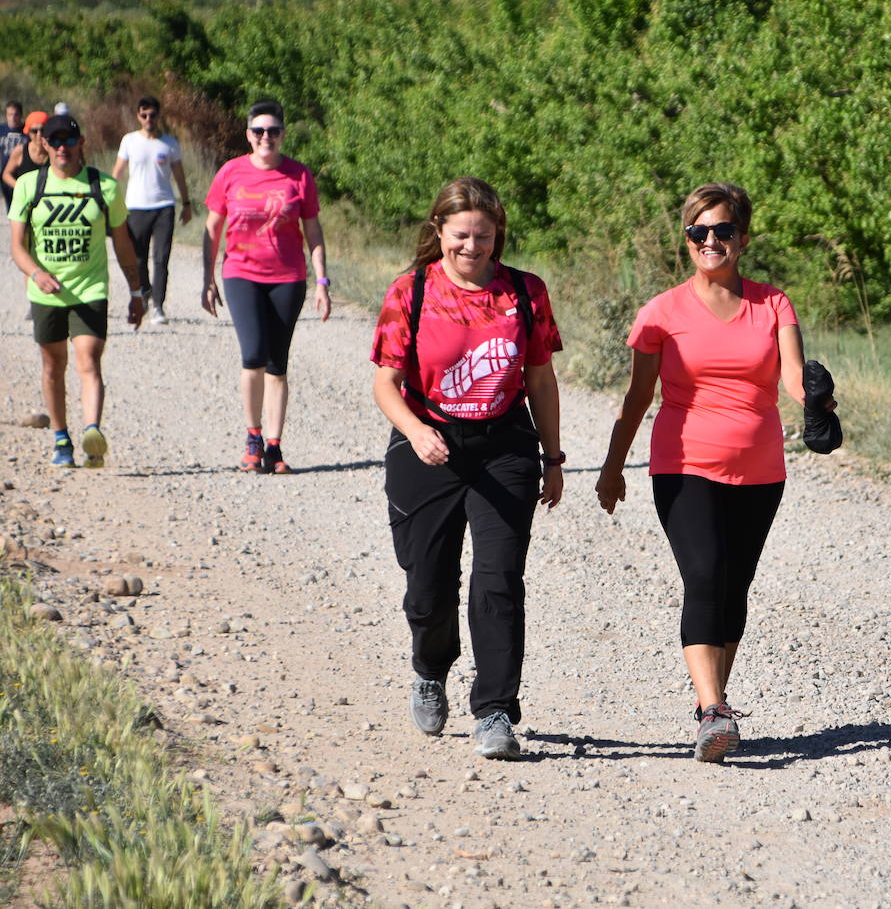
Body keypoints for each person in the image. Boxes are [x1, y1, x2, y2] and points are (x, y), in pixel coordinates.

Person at [596, 182, 837, 762]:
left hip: (760, 468)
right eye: (699, 232)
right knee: (704, 575)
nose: (711, 240)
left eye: (723, 230)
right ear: (686, 240)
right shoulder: (661, 313)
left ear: (742, 239)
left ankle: (717, 703)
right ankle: (711, 711)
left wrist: (817, 402)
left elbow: (791, 375)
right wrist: (612, 467)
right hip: (684, 463)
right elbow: (637, 397)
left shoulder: (773, 304)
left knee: (733, 587)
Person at [371, 177, 564, 760]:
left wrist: (552, 460)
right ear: (439, 232)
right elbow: (386, 384)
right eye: (461, 235)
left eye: (483, 236)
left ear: (497, 235)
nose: (472, 247)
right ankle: (430, 668)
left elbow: (540, 381)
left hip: (504, 445)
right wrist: (416, 431)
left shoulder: (525, 292)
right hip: (426, 440)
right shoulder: (412, 292)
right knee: (428, 586)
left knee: (499, 580)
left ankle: (496, 710)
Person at [7, 114, 146, 468]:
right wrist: (37, 274)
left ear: (81, 143)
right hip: (46, 294)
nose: (62, 148)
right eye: (55, 141)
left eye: (69, 141)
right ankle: (61, 438)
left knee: (89, 360)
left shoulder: (104, 187)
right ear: (44, 145)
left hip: (90, 289)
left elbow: (124, 244)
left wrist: (137, 292)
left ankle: (91, 433)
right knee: (54, 366)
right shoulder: (28, 185)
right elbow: (17, 248)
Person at [202, 99, 331, 474]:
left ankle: (274, 446)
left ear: (282, 135)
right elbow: (212, 228)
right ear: (248, 135)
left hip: (288, 277)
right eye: (258, 131)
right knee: (253, 354)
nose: (265, 137)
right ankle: (252, 437)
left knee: (278, 364)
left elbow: (314, 232)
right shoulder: (231, 172)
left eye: (273, 131)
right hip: (241, 273)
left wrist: (322, 281)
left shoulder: (299, 176)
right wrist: (207, 279)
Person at [113, 95, 192, 326]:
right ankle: (145, 291)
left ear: (159, 116)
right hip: (136, 207)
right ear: (138, 116)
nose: (148, 119)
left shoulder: (169, 144)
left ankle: (158, 306)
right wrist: (106, 198)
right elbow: (118, 172)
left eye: (153, 115)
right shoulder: (129, 141)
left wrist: (186, 204)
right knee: (138, 258)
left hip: (163, 206)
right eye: (144, 115)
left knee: (161, 258)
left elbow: (179, 174)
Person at [1, 101, 26, 210]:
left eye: (15, 114)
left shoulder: (28, 130)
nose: (12, 118)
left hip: (22, 174)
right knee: (10, 207)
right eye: (9, 114)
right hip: (5, 174)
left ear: (20, 115)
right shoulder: (1, 130)